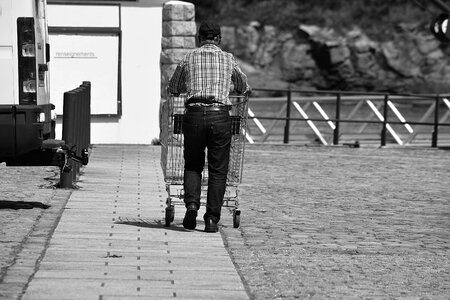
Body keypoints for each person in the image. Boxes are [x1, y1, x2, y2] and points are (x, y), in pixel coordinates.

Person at [167, 21, 250, 233]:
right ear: (219, 39)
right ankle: (212, 219)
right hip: (220, 116)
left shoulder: (189, 57)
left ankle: (192, 205)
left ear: (199, 38)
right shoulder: (228, 58)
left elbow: (174, 87)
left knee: (193, 164)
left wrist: (188, 87)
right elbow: (242, 86)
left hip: (194, 116)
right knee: (218, 170)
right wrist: (228, 86)